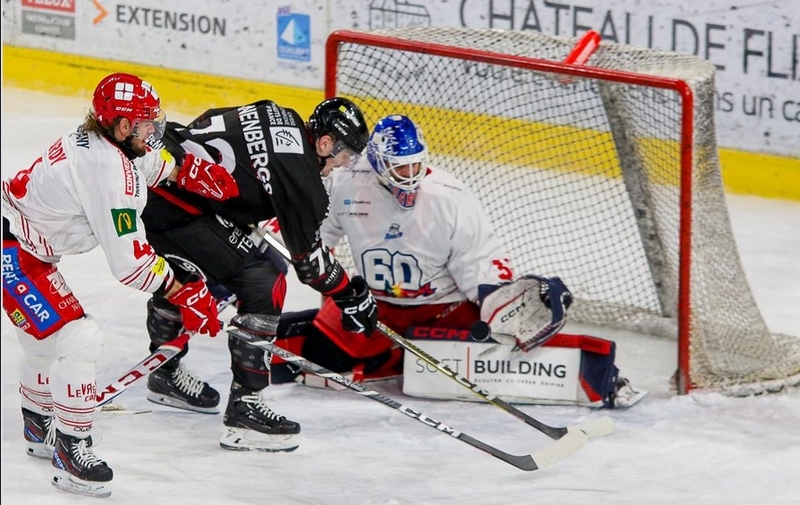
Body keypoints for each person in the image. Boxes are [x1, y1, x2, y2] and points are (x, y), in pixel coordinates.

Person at [1, 73, 224, 497]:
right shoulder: (107, 170)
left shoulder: (104, 141)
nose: (153, 131)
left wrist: (182, 170)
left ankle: (37, 424)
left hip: (18, 239)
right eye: (145, 123)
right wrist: (182, 289)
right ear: (122, 126)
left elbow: (146, 161)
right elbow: (131, 265)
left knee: (43, 342)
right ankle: (71, 448)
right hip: (11, 251)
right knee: (79, 339)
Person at [138, 97, 379, 452]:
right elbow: (310, 266)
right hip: (178, 207)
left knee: (225, 265)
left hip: (160, 176)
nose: (342, 165)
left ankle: (165, 371)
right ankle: (245, 409)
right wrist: (348, 294)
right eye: (345, 155)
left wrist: (232, 206)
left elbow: (211, 122)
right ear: (325, 143)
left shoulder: (278, 112)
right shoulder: (303, 176)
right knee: (264, 280)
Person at [271, 114, 515, 383]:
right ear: (377, 162)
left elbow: (477, 260)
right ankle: (397, 357)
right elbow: (316, 234)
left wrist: (501, 303)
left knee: (492, 352)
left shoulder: (450, 198)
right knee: (320, 356)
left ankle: (397, 358)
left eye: (415, 165)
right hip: (374, 305)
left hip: (441, 308)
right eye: (400, 168)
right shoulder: (346, 183)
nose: (410, 176)